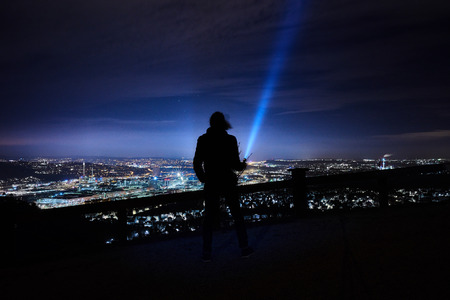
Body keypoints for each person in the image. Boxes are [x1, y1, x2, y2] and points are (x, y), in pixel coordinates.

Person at [193, 112, 254, 262]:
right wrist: (242, 166)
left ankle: (206, 252)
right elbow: (235, 164)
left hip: (212, 182)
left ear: (210, 123)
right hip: (228, 181)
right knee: (237, 215)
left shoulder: (203, 140)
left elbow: (196, 162)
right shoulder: (230, 140)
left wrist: (203, 178)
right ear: (224, 124)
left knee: (208, 217)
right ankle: (244, 248)